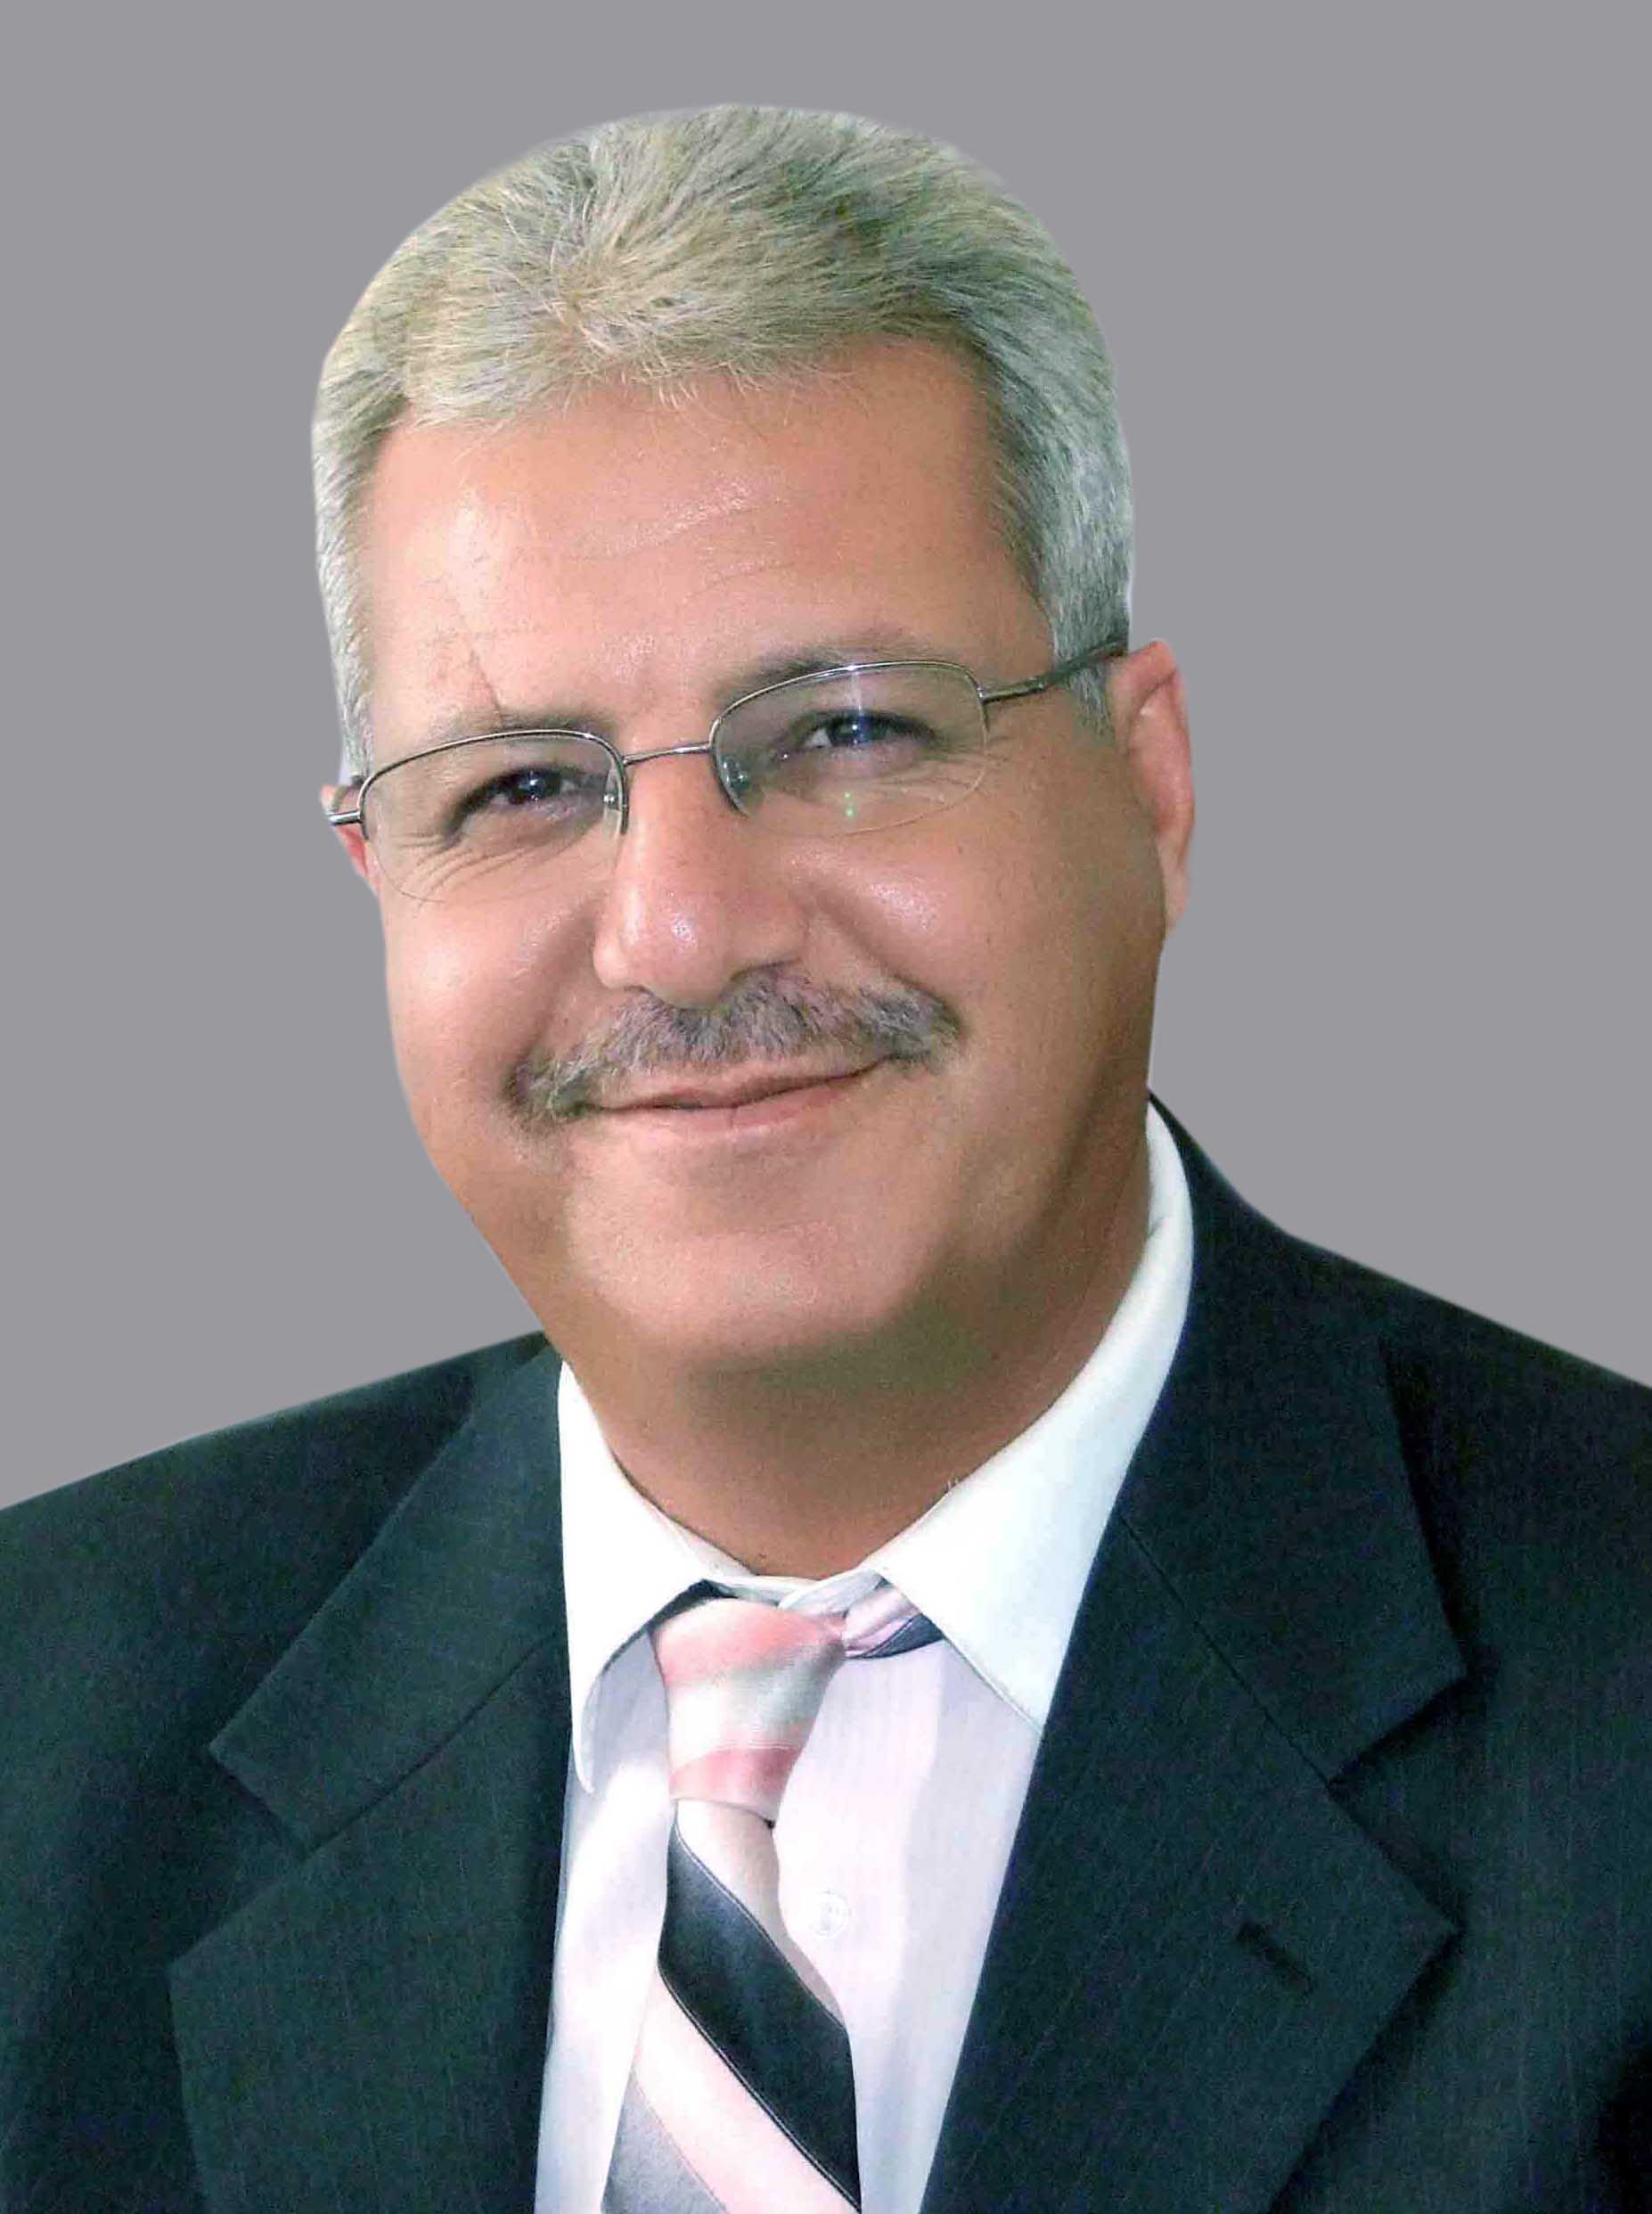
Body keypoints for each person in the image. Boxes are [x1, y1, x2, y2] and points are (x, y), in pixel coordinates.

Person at [2, 103, 1648, 2214]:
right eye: (521, 789)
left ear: (1145, 787)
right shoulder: (42, 1725)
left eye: (849, 732)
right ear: (375, 876)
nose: (683, 932)